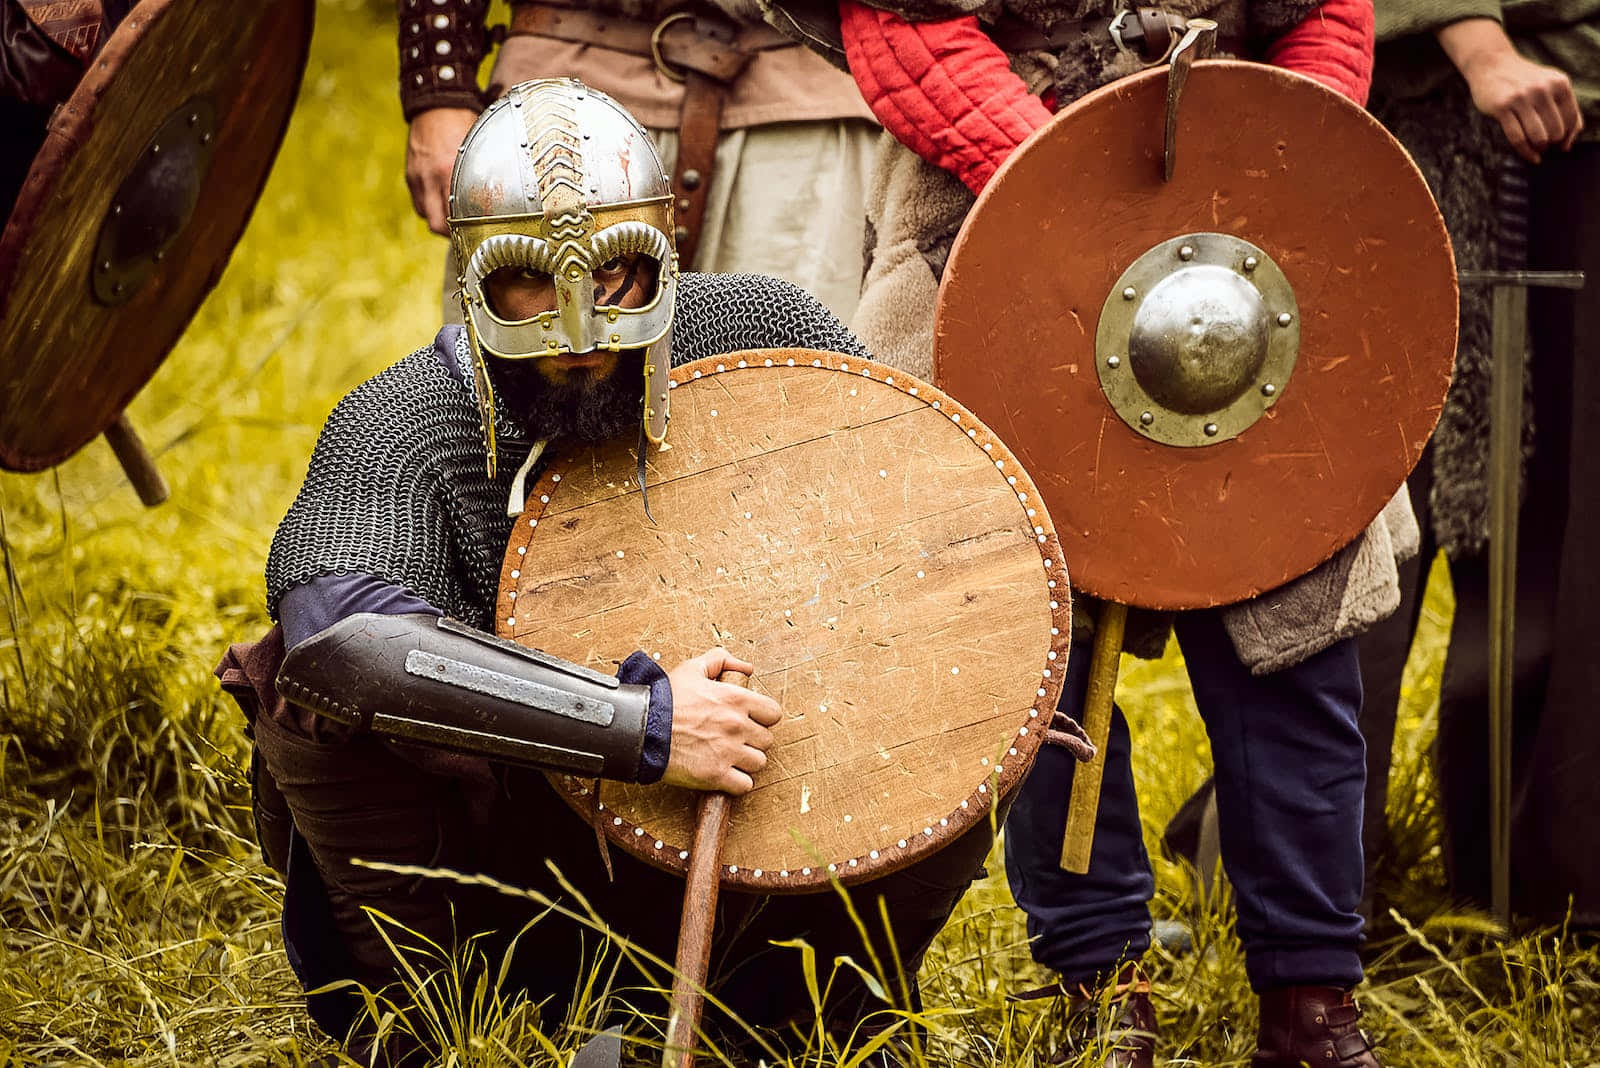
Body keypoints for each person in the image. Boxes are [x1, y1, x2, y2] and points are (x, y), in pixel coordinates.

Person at [216, 78, 996, 1061]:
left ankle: (806, 1009)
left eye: (614, 276)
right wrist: (640, 726)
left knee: (980, 669)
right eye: (532, 280)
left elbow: (929, 526)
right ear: (476, 278)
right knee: (308, 687)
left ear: (660, 253)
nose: (579, 327)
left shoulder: (761, 328)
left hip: (761, 811)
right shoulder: (401, 424)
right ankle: (448, 1020)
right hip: (507, 872)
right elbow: (346, 652)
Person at [755, 0, 1407, 1064]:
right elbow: (908, 31)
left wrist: (1271, 159)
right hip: (997, 217)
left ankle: (1312, 1001)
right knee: (1043, 646)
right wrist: (1079, 196)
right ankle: (1103, 987)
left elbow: (1324, 17)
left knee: (1296, 632)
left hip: (1242, 246)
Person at [1362, 0, 1597, 927]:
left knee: (1549, 522)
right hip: (1458, 122)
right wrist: (1478, 40)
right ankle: (1300, 886)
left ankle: (1532, 865)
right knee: (1375, 527)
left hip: (1555, 112)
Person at [398, 0, 878, 324]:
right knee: (517, 429)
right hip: (554, 93)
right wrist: (438, 83)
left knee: (796, 410)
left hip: (803, 96)